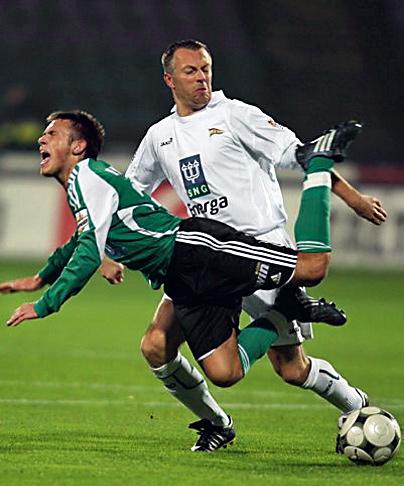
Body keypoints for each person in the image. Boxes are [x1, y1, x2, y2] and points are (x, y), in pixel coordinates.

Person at [2, 112, 361, 452]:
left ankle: (317, 164)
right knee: (220, 370)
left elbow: (87, 255)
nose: (41, 139)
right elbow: (78, 242)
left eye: (52, 134)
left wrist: (45, 304)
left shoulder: (88, 177)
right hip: (181, 278)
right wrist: (39, 279)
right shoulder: (81, 184)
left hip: (198, 251)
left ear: (78, 146)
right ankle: (276, 325)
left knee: (312, 268)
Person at [120, 39, 387, 451]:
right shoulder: (160, 136)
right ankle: (217, 423)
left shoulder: (236, 115)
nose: (202, 78)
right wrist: (113, 250)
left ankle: (357, 405)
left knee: (291, 368)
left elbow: (304, 156)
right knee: (157, 344)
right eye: (191, 71)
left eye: (206, 69)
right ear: (169, 80)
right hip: (204, 255)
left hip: (260, 250)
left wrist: (353, 198)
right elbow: (130, 191)